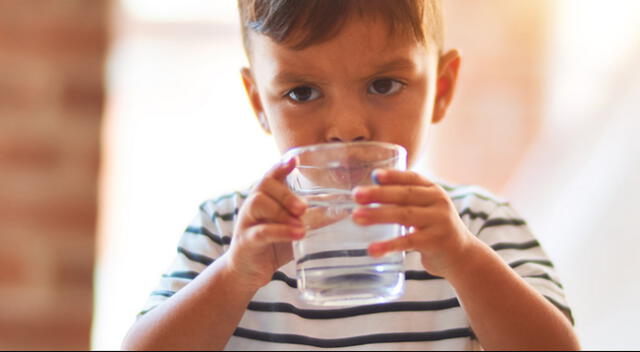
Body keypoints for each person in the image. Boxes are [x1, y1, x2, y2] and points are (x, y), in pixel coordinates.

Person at [121, 0, 580, 350]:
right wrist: (235, 276)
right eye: (303, 92)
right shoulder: (228, 230)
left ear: (441, 89)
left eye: (384, 85)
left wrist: (464, 259)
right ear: (259, 102)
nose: (348, 129)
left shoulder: (479, 225)